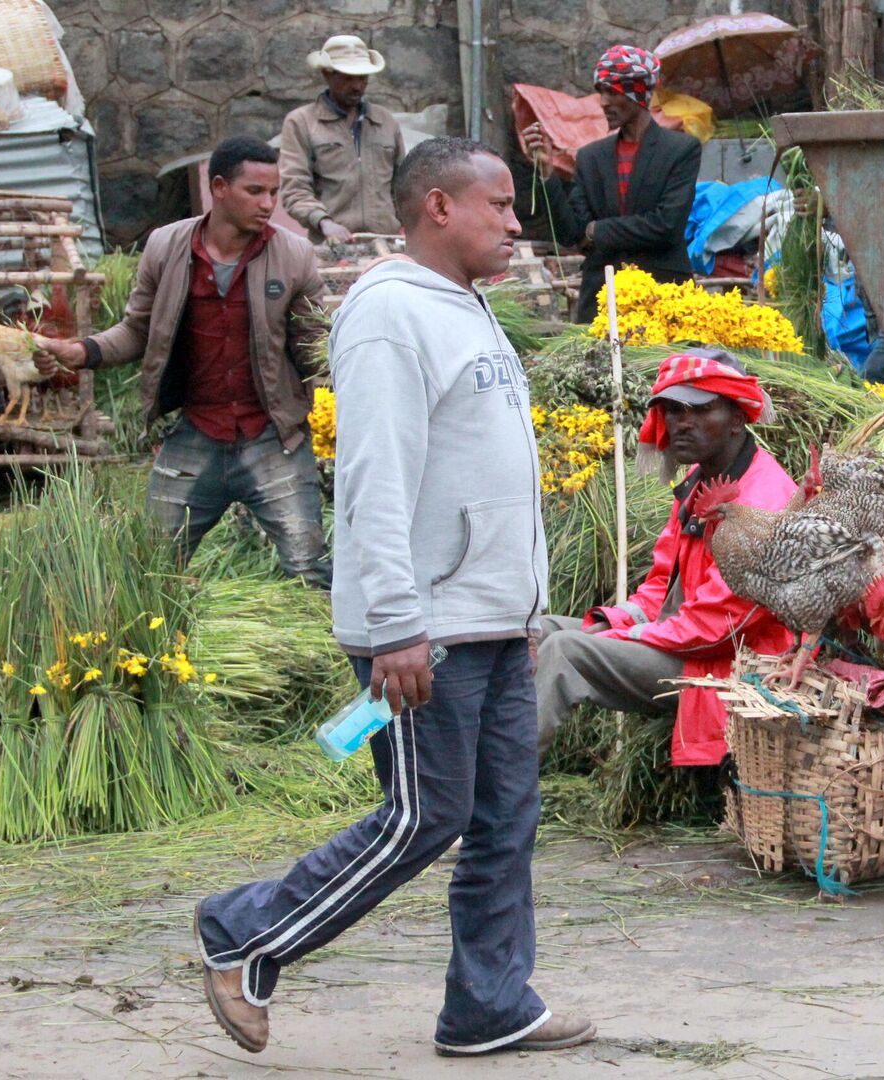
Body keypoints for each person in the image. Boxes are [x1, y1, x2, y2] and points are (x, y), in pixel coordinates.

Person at [192, 137, 596, 1058]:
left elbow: (485, 471)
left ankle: (490, 1004)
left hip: (489, 621)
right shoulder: (388, 315)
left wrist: (527, 614)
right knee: (426, 815)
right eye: (498, 202)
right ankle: (246, 933)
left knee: (504, 819)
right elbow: (374, 480)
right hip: (427, 631)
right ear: (439, 208)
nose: (515, 219)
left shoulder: (466, 308)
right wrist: (395, 625)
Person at [38, 136, 331, 587]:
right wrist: (82, 352)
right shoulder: (166, 248)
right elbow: (137, 329)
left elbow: (315, 348)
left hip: (274, 437)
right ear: (218, 187)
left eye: (274, 192)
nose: (269, 204)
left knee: (310, 569)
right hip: (196, 434)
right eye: (255, 191)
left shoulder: (294, 255)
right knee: (150, 571)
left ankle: (325, 654)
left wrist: (336, 397)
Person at [531, 347, 796, 766]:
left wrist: (618, 639)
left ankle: (500, 799)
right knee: (538, 631)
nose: (680, 424)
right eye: (671, 410)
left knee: (565, 651)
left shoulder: (764, 501)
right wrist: (613, 623)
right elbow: (662, 585)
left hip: (731, 660)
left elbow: (717, 627)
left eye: (699, 410)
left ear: (738, 418)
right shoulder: (698, 481)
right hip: (684, 638)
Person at [521, 45, 702, 324]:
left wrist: (597, 230)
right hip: (601, 303)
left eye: (613, 92)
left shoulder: (680, 149)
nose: (603, 102)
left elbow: (666, 225)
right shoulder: (591, 156)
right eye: (601, 92)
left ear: (638, 93)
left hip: (664, 300)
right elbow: (571, 233)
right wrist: (547, 174)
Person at [279, 34, 404, 245]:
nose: (357, 85)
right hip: (331, 246)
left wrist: (404, 223)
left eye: (363, 77)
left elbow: (404, 185)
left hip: (387, 244)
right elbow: (295, 188)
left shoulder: (386, 122)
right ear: (327, 75)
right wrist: (324, 222)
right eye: (348, 77)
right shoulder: (301, 123)